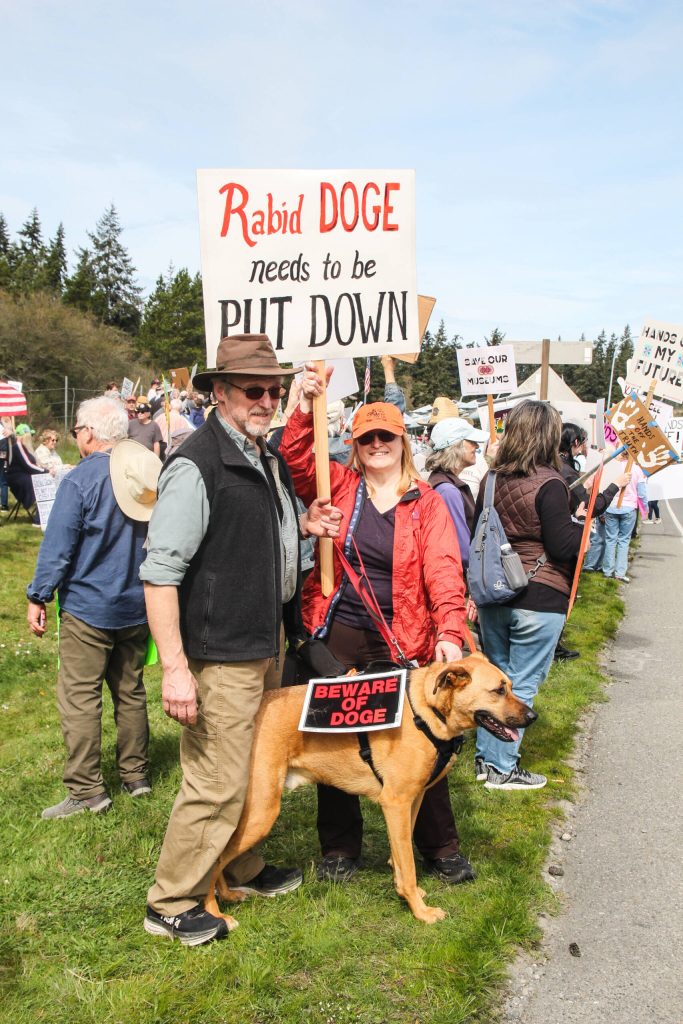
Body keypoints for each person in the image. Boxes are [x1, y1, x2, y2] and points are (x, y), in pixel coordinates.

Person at [141, 333, 341, 948]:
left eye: (274, 390)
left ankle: (240, 866)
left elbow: (263, 538)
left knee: (252, 767)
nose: (266, 399)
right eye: (253, 389)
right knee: (216, 779)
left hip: (264, 644)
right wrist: (175, 668)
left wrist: (303, 526)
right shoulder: (197, 465)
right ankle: (171, 902)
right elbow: (160, 572)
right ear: (219, 392)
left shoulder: (265, 456)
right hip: (219, 652)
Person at [280, 366, 474, 887]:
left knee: (423, 741)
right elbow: (295, 457)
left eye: (387, 435)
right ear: (355, 443)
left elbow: (443, 573)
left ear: (403, 440)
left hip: (405, 638)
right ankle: (340, 848)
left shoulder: (427, 503)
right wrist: (303, 405)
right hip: (338, 631)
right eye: (367, 438)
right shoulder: (337, 484)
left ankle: (440, 846)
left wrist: (450, 633)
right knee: (334, 737)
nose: (378, 444)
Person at [26, 398, 159, 819]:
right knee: (130, 691)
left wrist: (38, 595)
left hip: (90, 606)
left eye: (76, 431)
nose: (75, 438)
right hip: (139, 602)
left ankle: (87, 791)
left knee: (80, 697)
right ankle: (136, 776)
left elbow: (58, 547)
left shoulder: (80, 480)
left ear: (87, 432)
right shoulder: (144, 472)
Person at [472, 400, 583, 791]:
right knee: (520, 685)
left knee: (495, 682)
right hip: (539, 593)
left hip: (494, 592)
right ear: (549, 435)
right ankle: (502, 767)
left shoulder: (490, 479)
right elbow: (564, 545)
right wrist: (582, 522)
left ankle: (487, 760)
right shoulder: (550, 483)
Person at [425, 417, 490, 572]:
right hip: (458, 580)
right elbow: (463, 550)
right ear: (455, 446)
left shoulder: (441, 482)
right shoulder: (448, 491)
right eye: (471, 441)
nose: (476, 446)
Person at [601, 451, 647, 583]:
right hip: (629, 508)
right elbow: (642, 494)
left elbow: (605, 487)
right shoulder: (638, 470)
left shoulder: (614, 467)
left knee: (610, 539)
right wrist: (645, 509)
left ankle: (608, 571)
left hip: (611, 506)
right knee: (623, 541)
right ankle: (620, 573)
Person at [7, 423, 47, 523]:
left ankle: (43, 514)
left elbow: (32, 464)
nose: (31, 438)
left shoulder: (25, 448)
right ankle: (39, 519)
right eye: (29, 435)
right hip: (18, 479)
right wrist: (45, 471)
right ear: (24, 436)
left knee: (43, 481)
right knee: (41, 484)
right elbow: (28, 465)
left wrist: (43, 468)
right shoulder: (18, 447)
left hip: (25, 476)